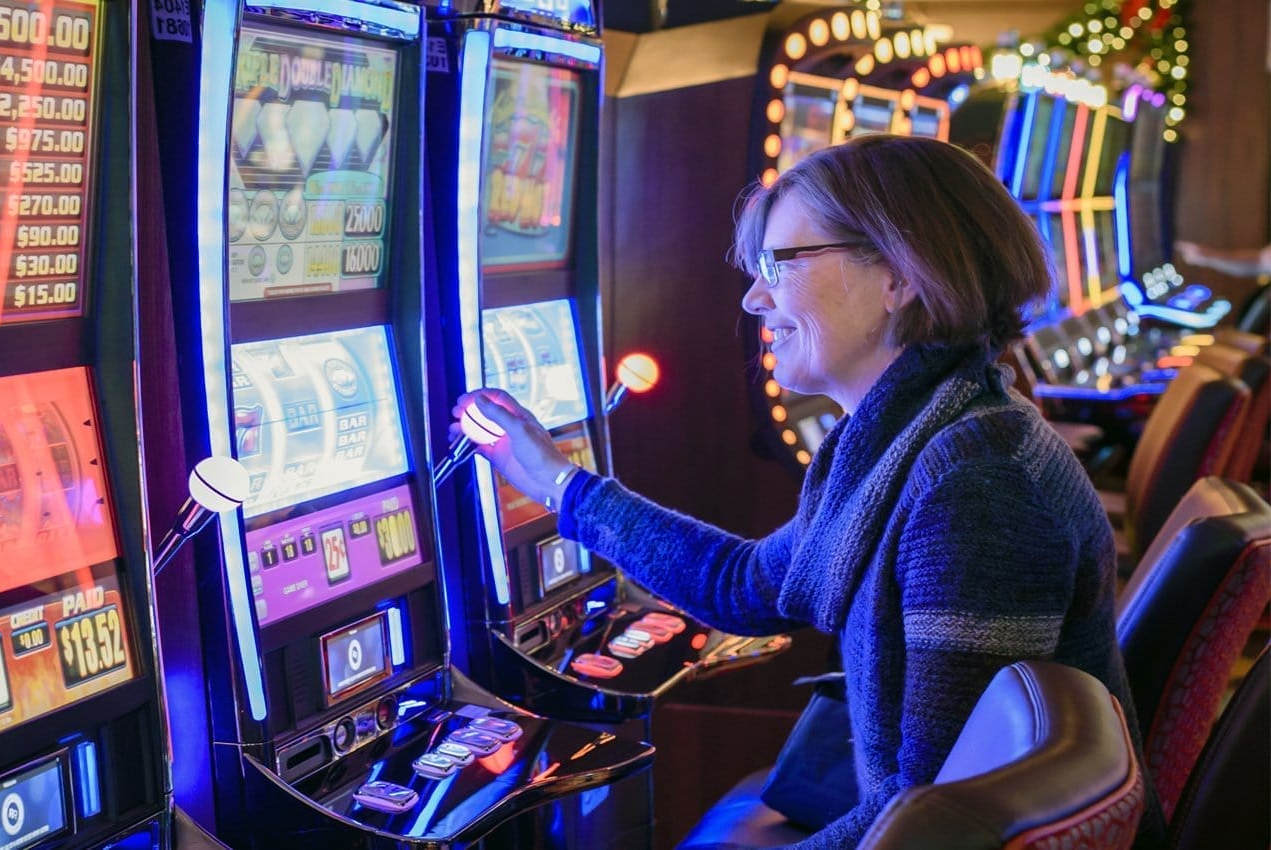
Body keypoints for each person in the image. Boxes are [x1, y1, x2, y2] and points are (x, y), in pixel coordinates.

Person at [452, 134, 1165, 849]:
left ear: (898, 275)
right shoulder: (905, 434)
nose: (754, 296)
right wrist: (557, 483)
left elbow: (936, 821)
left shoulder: (978, 485)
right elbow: (746, 585)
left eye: (779, 264)